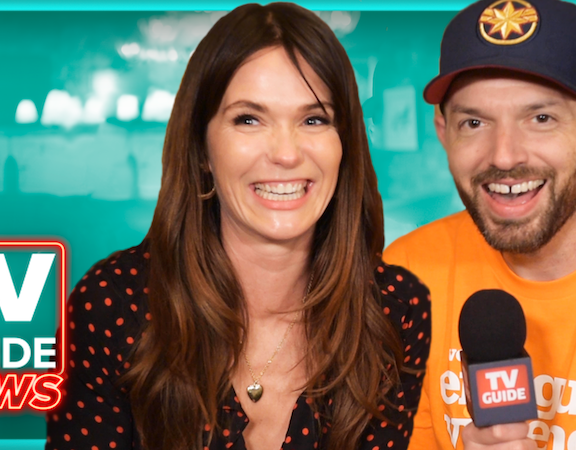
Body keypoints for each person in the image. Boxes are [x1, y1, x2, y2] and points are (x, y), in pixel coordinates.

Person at [46, 3, 431, 450]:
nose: (286, 153)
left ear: (344, 145)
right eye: (249, 119)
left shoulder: (394, 310)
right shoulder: (110, 305)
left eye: (314, 119)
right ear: (202, 151)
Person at [383, 0, 576, 448]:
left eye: (541, 118)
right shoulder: (407, 273)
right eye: (474, 122)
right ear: (444, 133)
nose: (504, 155)